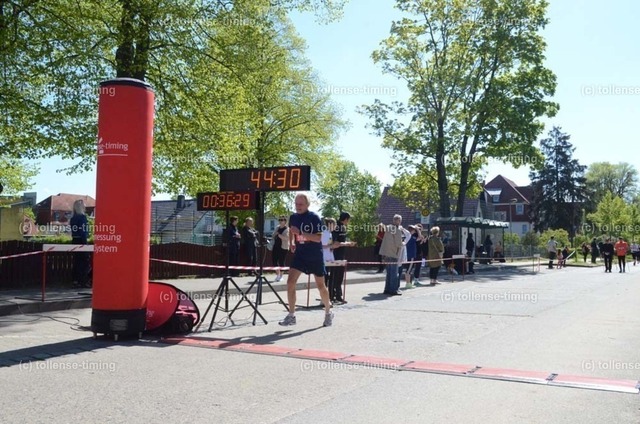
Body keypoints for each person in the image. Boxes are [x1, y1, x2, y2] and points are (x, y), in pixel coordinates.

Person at [279, 194, 333, 327]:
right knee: (290, 282)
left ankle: (328, 312)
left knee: (321, 286)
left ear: (307, 205)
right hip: (300, 254)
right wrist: (292, 242)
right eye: (296, 204)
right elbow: (291, 230)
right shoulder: (293, 217)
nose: (298, 206)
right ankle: (291, 315)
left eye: (301, 204)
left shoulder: (314, 218)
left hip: (314, 255)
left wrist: (300, 233)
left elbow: (318, 238)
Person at [330, 212, 356, 304]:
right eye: (348, 219)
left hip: (341, 254)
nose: (349, 221)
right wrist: (347, 244)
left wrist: (347, 242)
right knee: (335, 275)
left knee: (340, 275)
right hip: (335, 255)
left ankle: (338, 295)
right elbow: (335, 242)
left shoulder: (343, 227)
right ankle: (332, 296)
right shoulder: (337, 227)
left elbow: (342, 240)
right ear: (345, 219)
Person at [380, 214, 404, 296]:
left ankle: (387, 289)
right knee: (394, 273)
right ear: (399, 221)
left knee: (389, 273)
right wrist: (403, 243)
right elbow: (398, 243)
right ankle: (393, 290)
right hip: (394, 253)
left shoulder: (388, 228)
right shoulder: (397, 230)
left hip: (387, 253)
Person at [70, 199, 90, 288]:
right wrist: (85, 243)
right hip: (81, 240)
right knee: (84, 261)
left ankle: (75, 280)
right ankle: (83, 281)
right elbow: (83, 231)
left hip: (74, 240)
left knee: (76, 261)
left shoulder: (73, 218)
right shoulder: (82, 217)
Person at [272, 215, 290, 282]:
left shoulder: (287, 229)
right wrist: (275, 234)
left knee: (281, 261)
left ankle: (281, 276)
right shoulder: (277, 227)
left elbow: (287, 238)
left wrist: (279, 235)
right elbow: (273, 235)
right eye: (279, 220)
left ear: (285, 221)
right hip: (276, 246)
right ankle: (278, 275)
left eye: (282, 220)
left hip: (283, 247)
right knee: (274, 261)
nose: (280, 221)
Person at [403, 225, 419, 289]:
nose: (415, 231)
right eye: (414, 230)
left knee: (408, 270)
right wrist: (418, 230)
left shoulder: (407, 237)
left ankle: (408, 283)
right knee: (409, 270)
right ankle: (408, 283)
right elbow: (420, 237)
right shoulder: (411, 237)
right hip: (411, 255)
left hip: (407, 255)